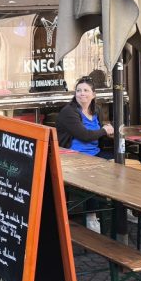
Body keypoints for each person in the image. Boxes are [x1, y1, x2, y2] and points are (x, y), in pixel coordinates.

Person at [55, 76, 114, 232]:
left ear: (93, 94)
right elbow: (85, 135)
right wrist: (104, 130)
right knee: (95, 174)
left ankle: (124, 209)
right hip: (73, 155)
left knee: (120, 167)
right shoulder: (69, 112)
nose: (82, 94)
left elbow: (98, 133)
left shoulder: (97, 110)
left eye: (86, 90)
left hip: (94, 153)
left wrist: (107, 131)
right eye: (79, 90)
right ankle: (91, 215)